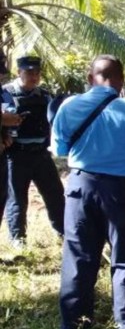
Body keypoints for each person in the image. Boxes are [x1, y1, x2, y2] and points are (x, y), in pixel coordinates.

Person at [52, 54, 125, 329]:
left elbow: (60, 149)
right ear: (122, 80)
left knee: (78, 256)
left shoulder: (69, 106)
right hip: (122, 191)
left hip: (81, 187)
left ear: (90, 79)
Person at [1, 56, 65, 248]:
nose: (34, 77)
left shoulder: (44, 96)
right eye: (29, 73)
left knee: (54, 194)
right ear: (19, 72)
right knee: (17, 198)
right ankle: (17, 239)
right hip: (16, 154)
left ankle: (63, 232)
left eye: (37, 73)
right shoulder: (5, 94)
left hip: (40, 154)